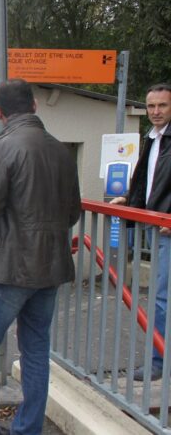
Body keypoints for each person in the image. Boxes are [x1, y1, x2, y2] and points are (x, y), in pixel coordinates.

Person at [0, 79, 80, 435]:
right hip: (51, 265)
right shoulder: (60, 150)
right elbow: (72, 211)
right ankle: (28, 429)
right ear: (35, 105)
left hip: (11, 265)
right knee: (36, 349)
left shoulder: (2, 147)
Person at [110, 82, 171, 382]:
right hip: (153, 223)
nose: (156, 111)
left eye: (162, 105)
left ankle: (159, 361)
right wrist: (131, 200)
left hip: (167, 227)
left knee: (162, 298)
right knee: (162, 297)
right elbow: (148, 178)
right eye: (151, 106)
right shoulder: (153, 137)